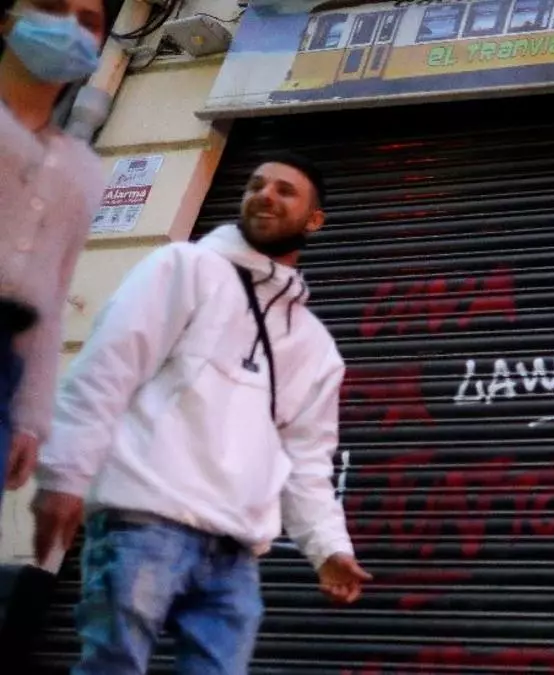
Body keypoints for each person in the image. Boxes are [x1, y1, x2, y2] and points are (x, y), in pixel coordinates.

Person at [31, 152, 372, 674]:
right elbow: (106, 369)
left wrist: (327, 548)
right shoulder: (183, 268)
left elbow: (308, 461)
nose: (264, 194)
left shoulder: (315, 346)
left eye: (285, 191)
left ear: (314, 220)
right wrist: (65, 474)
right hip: (142, 521)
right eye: (256, 184)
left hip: (234, 552)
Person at [0, 0, 110, 503]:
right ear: (8, 17)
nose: (69, 27)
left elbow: (51, 298)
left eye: (88, 22)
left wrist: (32, 417)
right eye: (50, 7)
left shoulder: (81, 172)